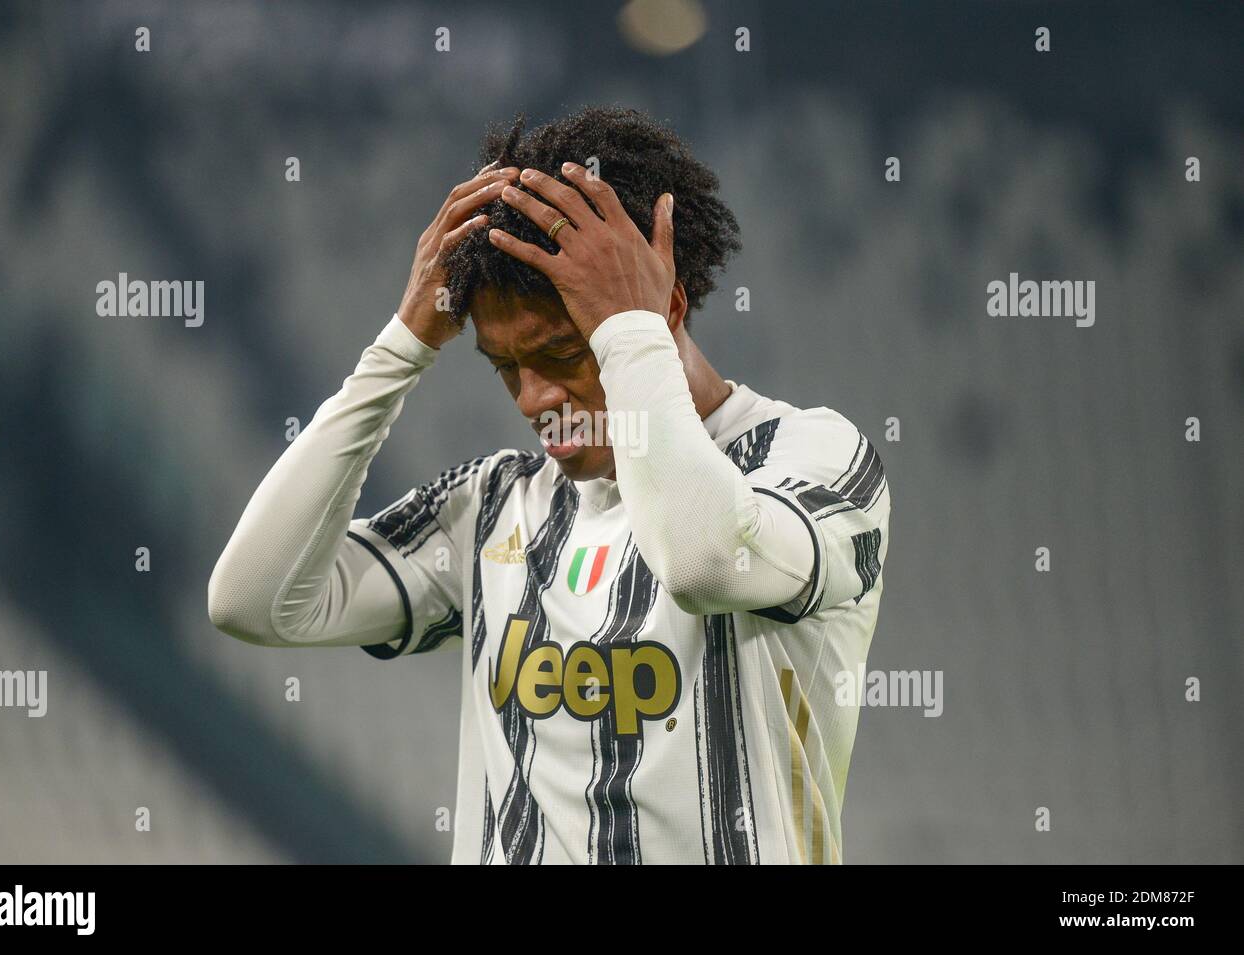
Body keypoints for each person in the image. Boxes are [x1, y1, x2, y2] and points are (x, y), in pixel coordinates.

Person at [208, 106, 890, 864]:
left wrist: (628, 334)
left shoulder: (814, 459)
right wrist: (400, 347)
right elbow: (251, 600)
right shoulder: (491, 510)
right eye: (506, 367)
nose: (533, 399)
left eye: (564, 354)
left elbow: (702, 563)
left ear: (668, 305)